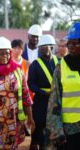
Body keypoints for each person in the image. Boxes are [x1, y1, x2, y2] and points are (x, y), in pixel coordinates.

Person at [0, 37, 34, 150]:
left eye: (7, 53)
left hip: (13, 122)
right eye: (1, 53)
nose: (5, 56)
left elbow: (25, 95)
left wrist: (30, 117)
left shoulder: (17, 71)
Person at [45, 22, 80, 150]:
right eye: (69, 43)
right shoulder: (61, 68)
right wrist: (57, 130)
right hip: (70, 129)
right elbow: (53, 102)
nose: (70, 46)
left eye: (75, 43)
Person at [28, 34, 58, 150]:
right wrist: (42, 92)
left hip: (55, 99)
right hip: (41, 100)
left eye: (46, 46)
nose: (43, 49)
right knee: (39, 123)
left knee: (53, 124)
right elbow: (30, 84)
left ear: (51, 47)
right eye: (41, 47)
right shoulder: (35, 65)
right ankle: (35, 143)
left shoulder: (59, 62)